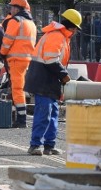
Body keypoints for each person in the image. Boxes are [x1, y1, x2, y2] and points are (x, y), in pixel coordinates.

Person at [24, 8, 82, 156]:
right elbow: (51, 60)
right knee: (44, 113)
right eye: (76, 28)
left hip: (47, 79)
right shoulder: (57, 36)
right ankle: (35, 144)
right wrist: (64, 75)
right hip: (43, 79)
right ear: (72, 27)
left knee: (53, 113)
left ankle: (49, 145)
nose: (76, 31)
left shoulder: (60, 36)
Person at [0, 0, 37, 128]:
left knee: (17, 89)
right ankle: (21, 116)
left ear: (18, 8)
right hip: (26, 59)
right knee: (20, 88)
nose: (11, 10)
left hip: (16, 60)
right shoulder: (31, 23)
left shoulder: (16, 21)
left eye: (12, 7)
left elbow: (7, 40)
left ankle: (21, 119)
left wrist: (2, 53)